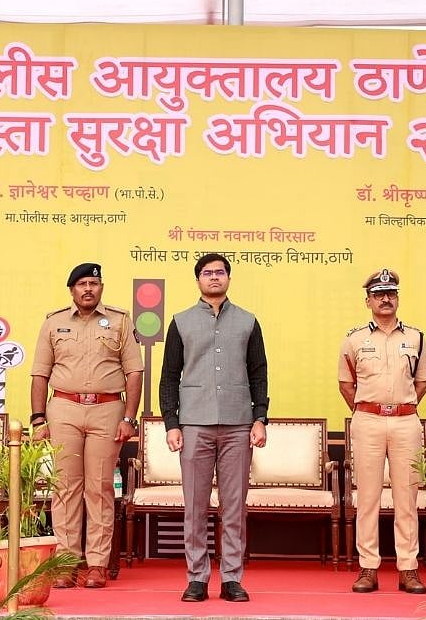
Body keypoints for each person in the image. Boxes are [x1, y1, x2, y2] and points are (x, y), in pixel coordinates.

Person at [160, 253, 268, 603]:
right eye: (207, 273)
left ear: (229, 278)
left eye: (220, 272)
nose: (214, 278)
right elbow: (169, 377)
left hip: (238, 425)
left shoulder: (248, 321)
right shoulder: (181, 321)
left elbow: (258, 373)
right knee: (195, 506)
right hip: (194, 425)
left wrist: (260, 417)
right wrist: (171, 423)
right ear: (198, 281)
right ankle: (197, 578)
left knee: (234, 507)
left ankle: (232, 578)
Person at [29, 262, 143, 589]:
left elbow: (134, 373)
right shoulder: (53, 322)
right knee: (65, 488)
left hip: (107, 409)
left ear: (101, 287)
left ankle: (96, 564)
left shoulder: (119, 321)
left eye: (93, 283)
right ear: (72, 290)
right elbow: (40, 373)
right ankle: (66, 562)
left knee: (100, 487)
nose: (88, 289)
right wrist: (39, 418)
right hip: (63, 407)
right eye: (82, 284)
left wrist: (128, 418)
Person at [337, 269, 426, 594]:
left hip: (406, 421)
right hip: (368, 421)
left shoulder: (416, 337)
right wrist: (370, 409)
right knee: (368, 498)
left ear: (397, 298)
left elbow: (422, 382)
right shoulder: (354, 339)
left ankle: (408, 568)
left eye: (390, 294)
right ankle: (368, 568)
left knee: (407, 497)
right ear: (368, 301)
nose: (385, 299)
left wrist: (399, 408)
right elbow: (346, 384)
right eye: (379, 295)